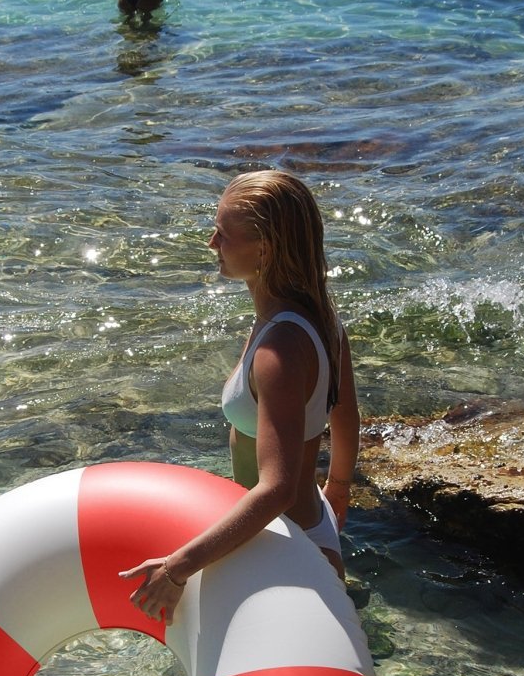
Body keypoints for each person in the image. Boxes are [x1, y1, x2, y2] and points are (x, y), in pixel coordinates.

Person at [123, 171, 359, 623]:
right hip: (309, 530)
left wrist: (177, 569)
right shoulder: (320, 321)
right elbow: (346, 417)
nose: (213, 243)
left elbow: (276, 490)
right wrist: (339, 489)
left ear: (265, 250)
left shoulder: (280, 350)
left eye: (224, 235)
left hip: (291, 551)